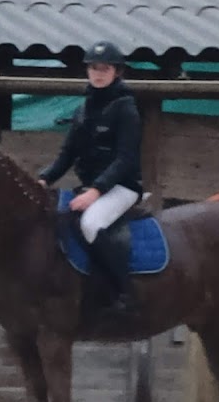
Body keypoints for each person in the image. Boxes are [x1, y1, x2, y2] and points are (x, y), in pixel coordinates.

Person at [37, 40, 143, 315]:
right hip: (88, 187)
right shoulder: (82, 111)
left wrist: (95, 192)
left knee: (91, 224)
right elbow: (66, 155)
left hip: (122, 187)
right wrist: (43, 180)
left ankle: (124, 292)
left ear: (116, 72)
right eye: (94, 68)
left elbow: (125, 159)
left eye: (104, 69)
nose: (98, 74)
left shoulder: (126, 109)